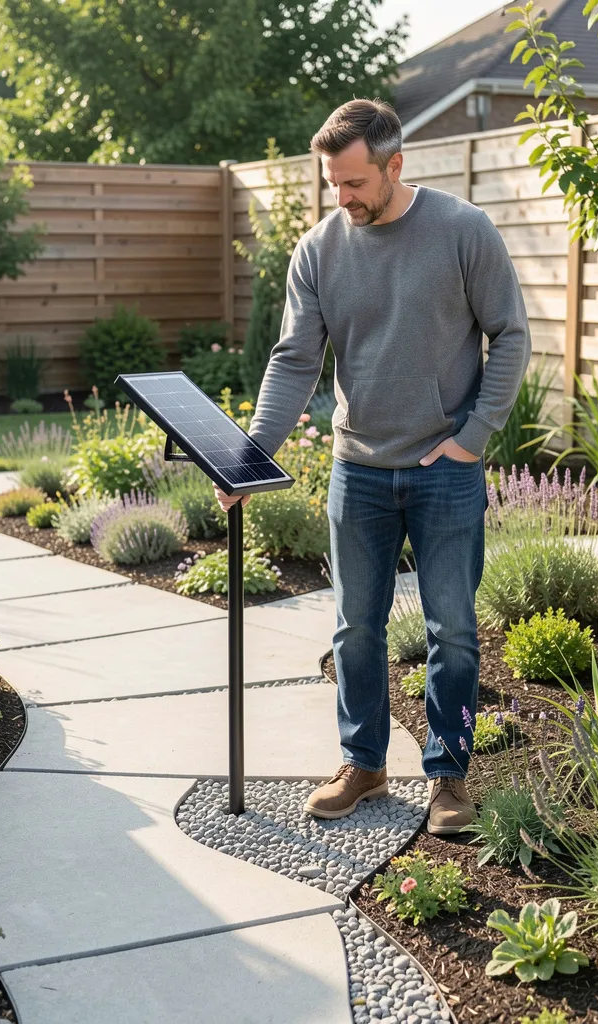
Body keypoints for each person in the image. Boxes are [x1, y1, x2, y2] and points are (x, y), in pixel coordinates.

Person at [213, 98, 530, 834]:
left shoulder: (462, 231)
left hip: (444, 467)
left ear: (395, 165)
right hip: (358, 469)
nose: (343, 197)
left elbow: (509, 335)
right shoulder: (318, 250)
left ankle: (449, 777)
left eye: (354, 182)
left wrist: (475, 435)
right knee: (356, 628)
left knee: (452, 629)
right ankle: (364, 763)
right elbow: (294, 360)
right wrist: (250, 458)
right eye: (333, 183)